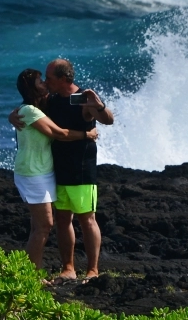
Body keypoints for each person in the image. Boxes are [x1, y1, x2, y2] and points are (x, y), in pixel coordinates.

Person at [11, 58, 113, 283]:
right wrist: (13, 115)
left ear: (63, 79)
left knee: (87, 219)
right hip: (55, 169)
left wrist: (99, 106)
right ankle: (68, 268)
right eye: (43, 79)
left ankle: (93, 270)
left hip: (82, 168)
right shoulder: (52, 100)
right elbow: (30, 109)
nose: (46, 82)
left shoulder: (82, 98)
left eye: (49, 77)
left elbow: (108, 120)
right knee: (63, 219)